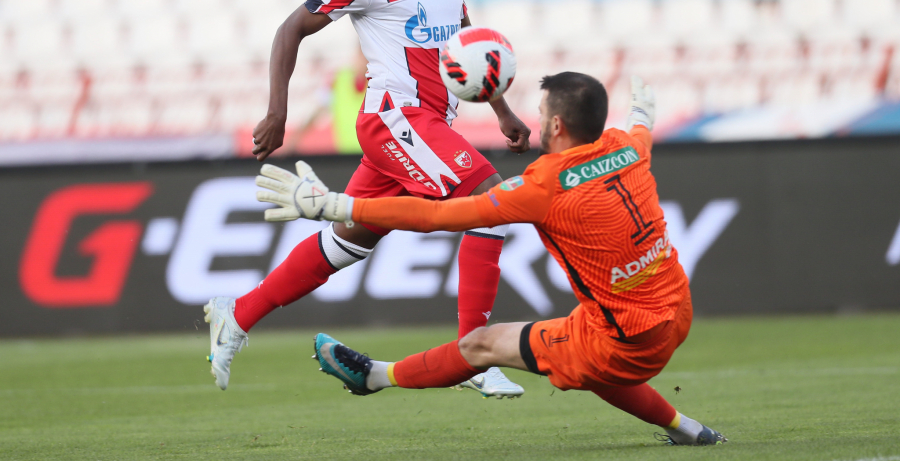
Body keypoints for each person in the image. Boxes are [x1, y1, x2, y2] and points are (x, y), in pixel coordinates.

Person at [257, 73, 727, 445]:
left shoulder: (542, 187)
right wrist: (642, 113)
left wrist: (338, 206)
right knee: (581, 357)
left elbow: (436, 216)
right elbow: (642, 133)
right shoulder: (626, 147)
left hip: (627, 341)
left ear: (557, 126)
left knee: (481, 345)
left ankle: (374, 377)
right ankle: (686, 429)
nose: (539, 121)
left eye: (542, 113)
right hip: (675, 310)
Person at [203, 0, 532, 398]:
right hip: (396, 119)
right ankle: (475, 353)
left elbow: (466, 42)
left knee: (346, 242)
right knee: (491, 204)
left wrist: (501, 109)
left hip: (426, 125)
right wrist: (277, 112)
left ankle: (237, 314)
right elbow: (291, 28)